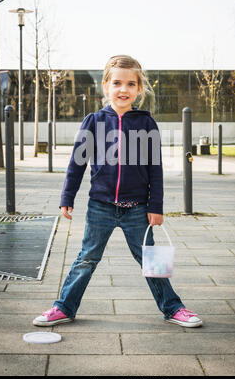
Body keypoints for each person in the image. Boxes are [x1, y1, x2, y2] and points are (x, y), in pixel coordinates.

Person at [33, 55, 202, 328]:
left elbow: (155, 169)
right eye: (117, 83)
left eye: (131, 84)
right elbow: (77, 163)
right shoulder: (93, 121)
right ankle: (63, 307)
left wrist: (155, 206)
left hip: (137, 208)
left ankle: (173, 308)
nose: (124, 89)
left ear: (139, 89)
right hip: (100, 205)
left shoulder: (147, 124)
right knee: (87, 257)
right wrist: (67, 197)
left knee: (150, 259)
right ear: (105, 85)